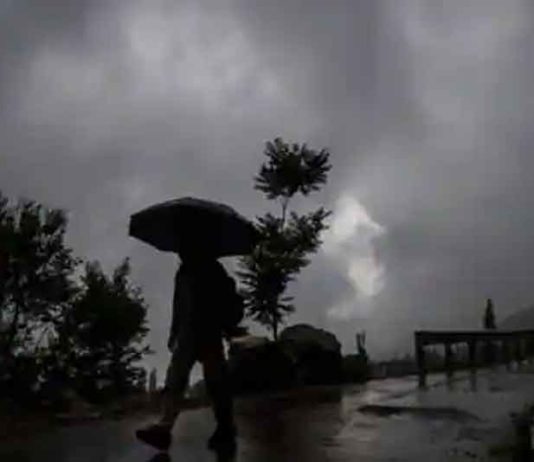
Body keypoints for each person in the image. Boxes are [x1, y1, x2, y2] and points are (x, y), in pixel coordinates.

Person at [136, 241, 240, 453]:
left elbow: (222, 299)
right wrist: (174, 331)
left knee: (215, 380)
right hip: (188, 332)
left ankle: (225, 427)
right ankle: (165, 427)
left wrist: (224, 325)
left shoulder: (212, 268)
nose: (181, 253)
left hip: (208, 329)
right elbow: (179, 305)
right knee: (176, 377)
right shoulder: (183, 272)